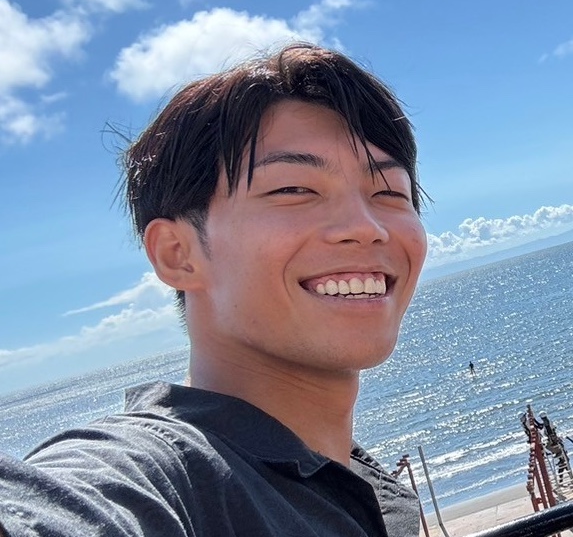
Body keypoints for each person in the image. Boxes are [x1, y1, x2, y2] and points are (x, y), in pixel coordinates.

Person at [0, 43, 428, 536]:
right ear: (176, 254)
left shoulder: (362, 485)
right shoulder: (167, 475)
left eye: (389, 192)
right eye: (293, 189)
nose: (366, 226)